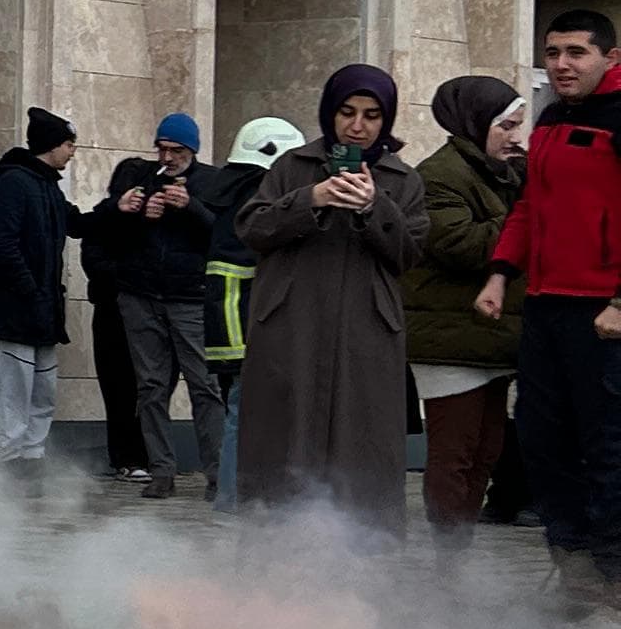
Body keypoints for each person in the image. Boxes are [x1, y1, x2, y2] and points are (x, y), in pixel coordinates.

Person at [233, 68, 426, 528]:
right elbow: (251, 228)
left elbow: (410, 253)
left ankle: (362, 554)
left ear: (387, 120)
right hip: (292, 325)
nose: (357, 126)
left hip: (366, 330)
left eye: (372, 116)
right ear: (330, 113)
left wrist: (373, 206)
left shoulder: (403, 179)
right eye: (347, 113)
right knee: (283, 433)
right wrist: (311, 199)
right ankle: (272, 544)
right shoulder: (291, 166)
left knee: (362, 440)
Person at [478, 2, 621, 611]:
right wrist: (500, 273)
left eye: (576, 53)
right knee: (542, 440)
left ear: (611, 59)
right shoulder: (553, 118)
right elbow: (531, 206)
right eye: (553, 53)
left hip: (604, 315)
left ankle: (614, 576)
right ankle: (575, 568)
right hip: (546, 306)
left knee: (609, 447)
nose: (561, 64)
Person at [405, 75, 523, 530]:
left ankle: (460, 553)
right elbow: (462, 243)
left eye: (517, 126)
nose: (515, 137)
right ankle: (447, 563)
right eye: (506, 127)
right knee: (455, 454)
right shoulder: (438, 175)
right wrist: (527, 223)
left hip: (491, 337)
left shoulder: (508, 172)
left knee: (486, 452)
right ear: (474, 123)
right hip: (448, 340)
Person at [93, 112, 226, 501]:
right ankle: (161, 470)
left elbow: (225, 234)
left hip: (191, 298)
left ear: (192, 150)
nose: (167, 157)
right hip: (141, 295)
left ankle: (216, 474)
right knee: (150, 387)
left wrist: (193, 207)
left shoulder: (213, 182)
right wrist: (131, 214)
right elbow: (104, 233)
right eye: (162, 149)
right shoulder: (141, 179)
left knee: (205, 387)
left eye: (176, 150)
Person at [203, 120, 303, 506]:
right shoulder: (257, 197)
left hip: (228, 325)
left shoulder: (229, 192)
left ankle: (236, 499)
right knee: (243, 414)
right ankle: (236, 501)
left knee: (239, 412)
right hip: (251, 325)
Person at [0, 109, 80, 462]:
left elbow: (78, 224)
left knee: (43, 390)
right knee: (14, 391)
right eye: (69, 144)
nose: (72, 152)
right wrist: (31, 291)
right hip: (18, 310)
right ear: (52, 145)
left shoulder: (48, 186)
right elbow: (3, 245)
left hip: (44, 311)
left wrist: (119, 209)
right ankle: (7, 462)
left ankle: (32, 457)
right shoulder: (15, 182)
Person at [76, 188, 149, 480]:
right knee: (118, 387)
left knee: (150, 387)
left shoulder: (152, 218)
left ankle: (147, 454)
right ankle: (125, 458)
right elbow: (94, 265)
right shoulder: (103, 221)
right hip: (112, 310)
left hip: (148, 313)